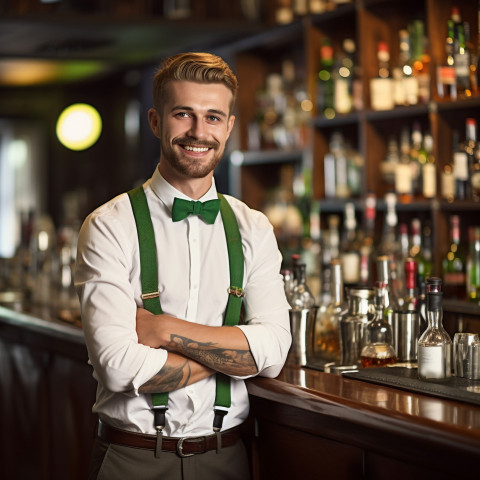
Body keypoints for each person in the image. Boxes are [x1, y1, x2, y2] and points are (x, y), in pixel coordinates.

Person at [74, 52, 291, 480]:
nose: (198, 131)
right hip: (131, 458)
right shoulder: (108, 226)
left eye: (213, 117)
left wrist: (164, 331)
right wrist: (232, 355)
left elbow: (274, 354)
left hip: (227, 457)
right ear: (156, 122)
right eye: (183, 114)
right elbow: (118, 368)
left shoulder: (254, 228)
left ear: (229, 127)